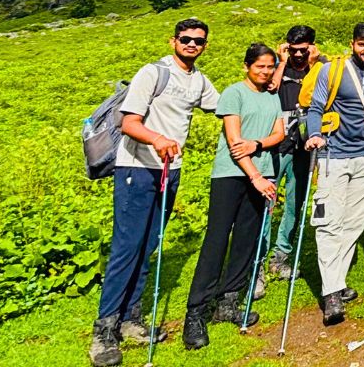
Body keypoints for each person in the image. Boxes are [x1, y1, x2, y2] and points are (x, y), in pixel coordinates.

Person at [90, 19, 220, 367]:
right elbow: (127, 122)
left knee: (149, 244)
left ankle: (131, 319)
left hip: (170, 170)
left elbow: (224, 108)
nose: (192, 45)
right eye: (186, 39)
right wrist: (158, 139)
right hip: (137, 168)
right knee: (127, 246)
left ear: (205, 45)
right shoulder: (153, 73)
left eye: (199, 41)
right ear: (173, 40)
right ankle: (104, 330)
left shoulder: (199, 80)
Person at [183, 44, 286, 349]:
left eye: (270, 67)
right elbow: (233, 141)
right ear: (246, 66)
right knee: (217, 240)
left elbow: (278, 134)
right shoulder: (234, 93)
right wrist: (254, 175)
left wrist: (257, 146)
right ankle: (197, 313)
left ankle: (228, 302)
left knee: (246, 239)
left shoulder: (272, 95)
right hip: (232, 175)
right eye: (260, 67)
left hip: (263, 173)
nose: (265, 72)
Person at [301, 22, 364, 326]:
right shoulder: (332, 71)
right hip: (333, 156)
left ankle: (335, 282)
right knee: (329, 223)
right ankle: (332, 293)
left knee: (353, 223)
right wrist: (314, 134)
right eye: (363, 44)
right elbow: (315, 108)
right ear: (352, 43)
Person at [265, 26, 325, 282]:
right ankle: (258, 259)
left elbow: (322, 91)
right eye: (293, 50)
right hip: (277, 144)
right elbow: (270, 88)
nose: (298, 55)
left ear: (311, 46)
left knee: (295, 201)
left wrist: (315, 63)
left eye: (303, 50)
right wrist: (280, 62)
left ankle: (281, 255)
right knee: (267, 201)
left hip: (304, 145)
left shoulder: (320, 68)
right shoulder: (279, 68)